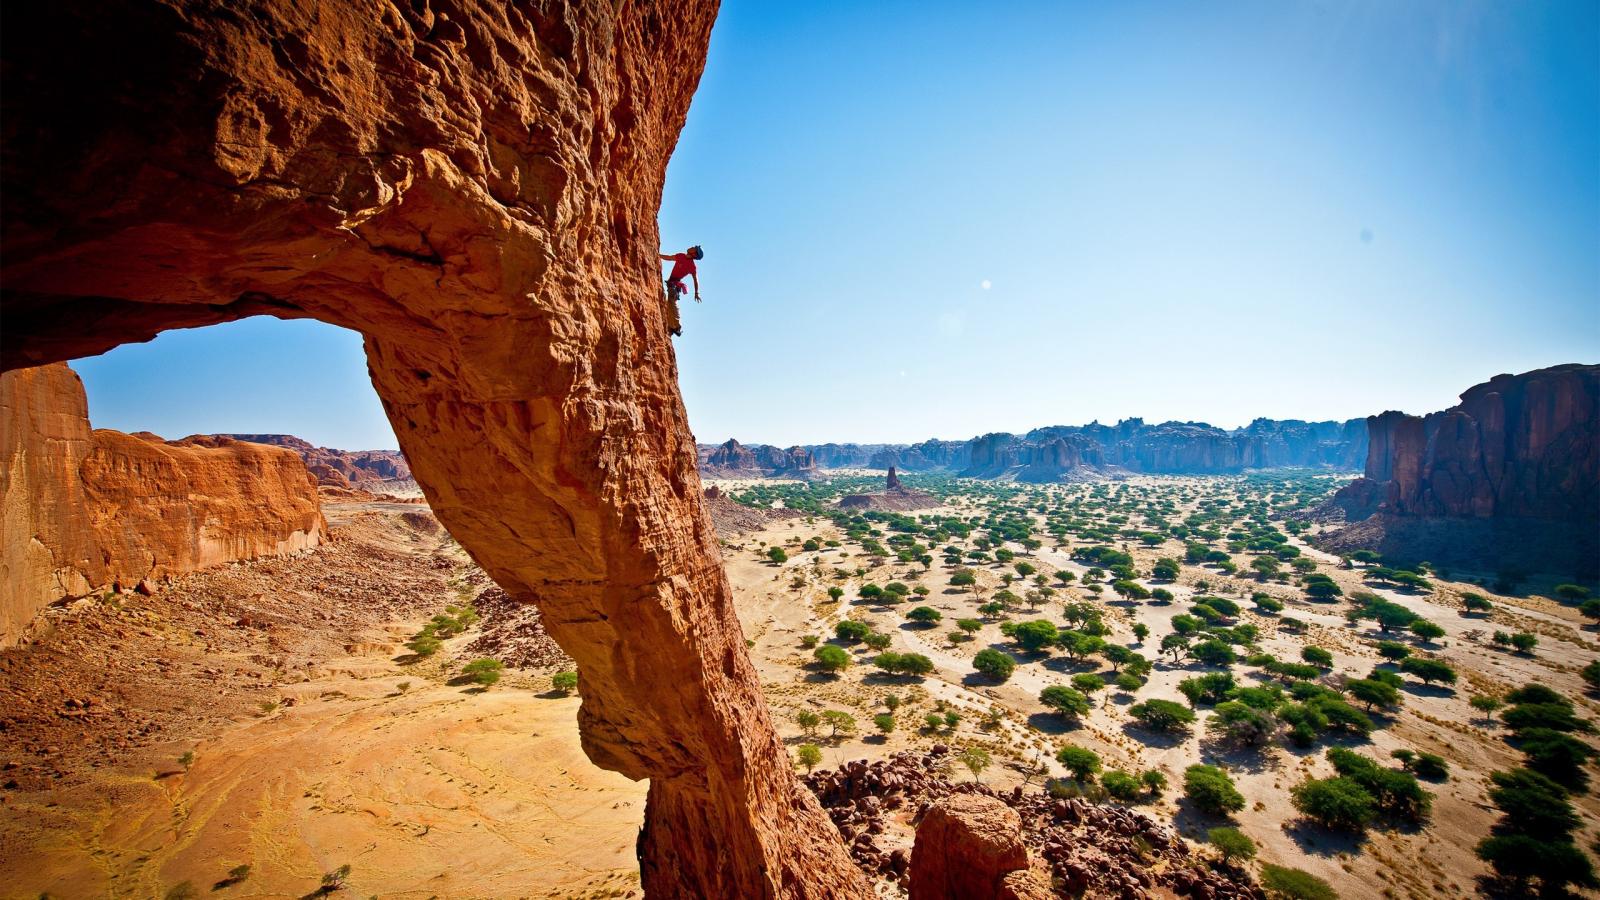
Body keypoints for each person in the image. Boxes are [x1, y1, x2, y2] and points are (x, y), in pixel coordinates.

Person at [660, 245, 703, 336]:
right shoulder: (681, 256)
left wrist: (696, 292)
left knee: (672, 301)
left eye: (694, 248)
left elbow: (695, 280)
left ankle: (677, 327)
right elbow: (669, 257)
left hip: (675, 284)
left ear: (694, 254)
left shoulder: (692, 266)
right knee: (670, 303)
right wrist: (658, 255)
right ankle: (672, 326)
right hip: (671, 283)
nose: (692, 247)